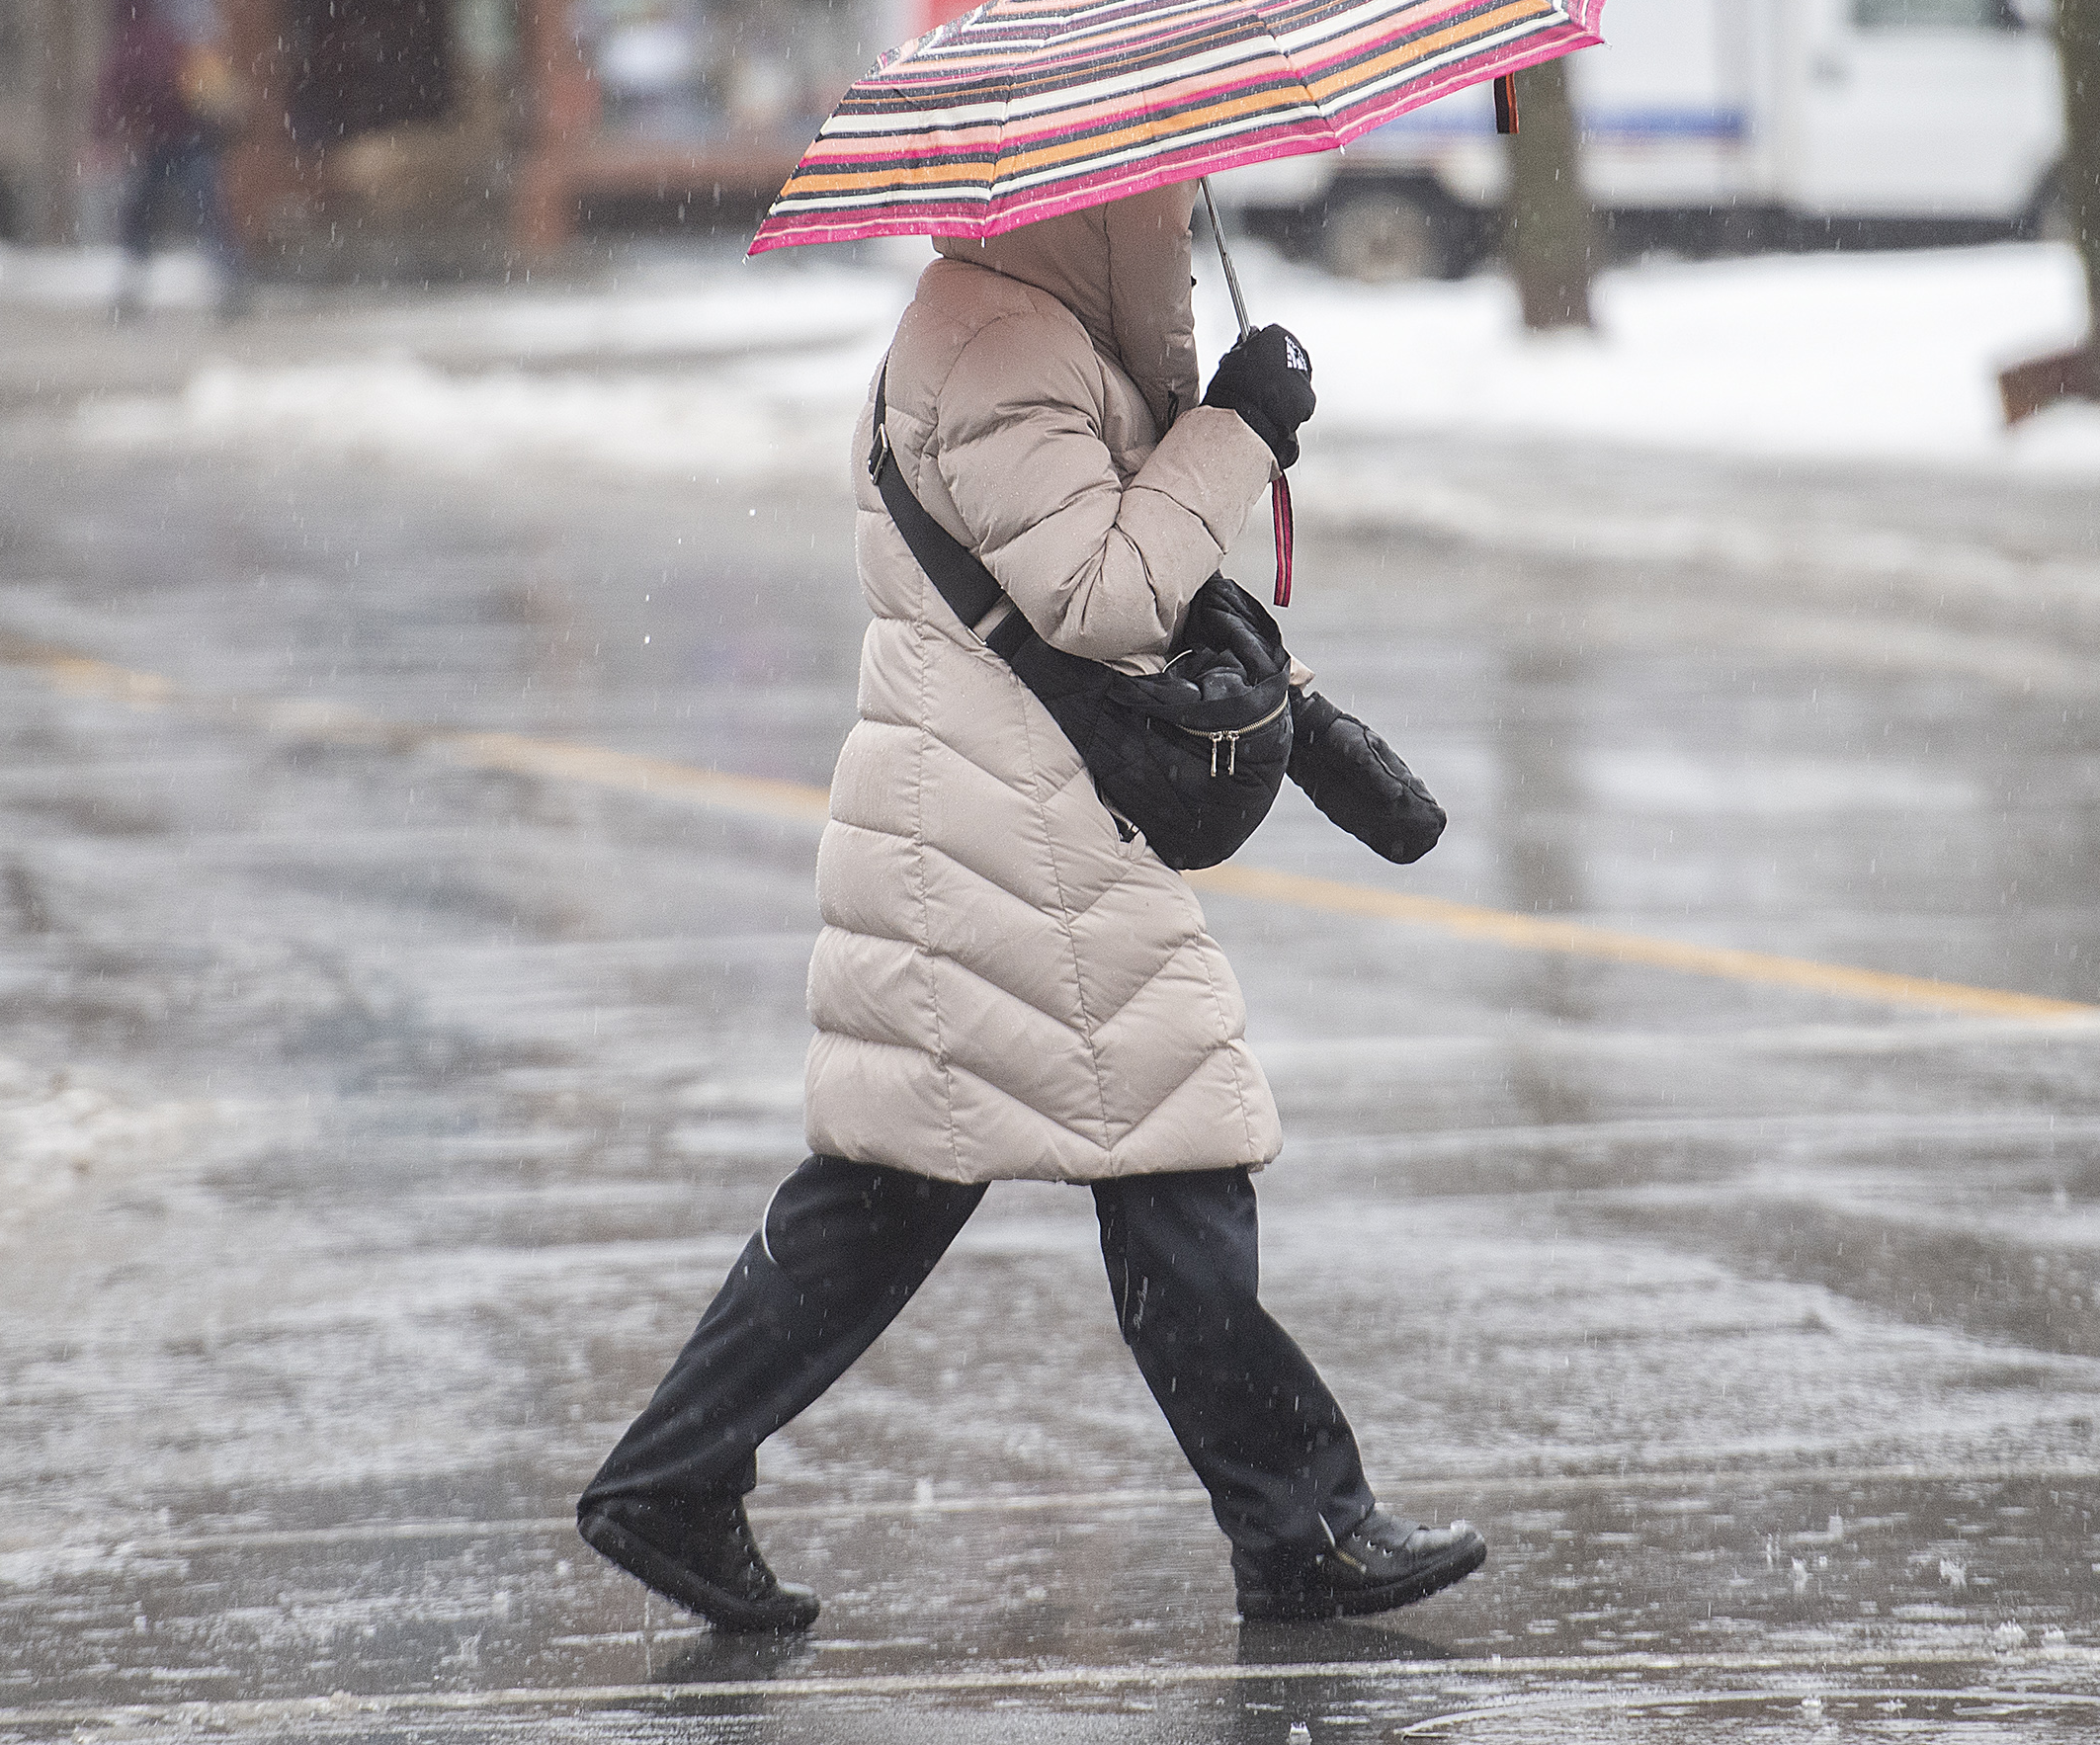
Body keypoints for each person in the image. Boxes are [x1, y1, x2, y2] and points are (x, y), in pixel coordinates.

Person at [576, 181, 1484, 1629]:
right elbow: (1102, 593)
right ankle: (1300, 1520)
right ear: (1106, 202)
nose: (1188, 226)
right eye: (1172, 201)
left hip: (998, 810)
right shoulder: (997, 347)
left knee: (892, 1182)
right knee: (1170, 1151)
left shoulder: (1032, 332)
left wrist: (1303, 715)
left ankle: (670, 1479)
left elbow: (1116, 586)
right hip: (1009, 825)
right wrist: (1239, 429)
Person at [92, 0, 246, 319]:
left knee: (140, 214)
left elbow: (110, 96)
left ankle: (131, 286)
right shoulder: (175, 39)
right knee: (208, 210)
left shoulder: (126, 47)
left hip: (155, 143)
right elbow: (205, 86)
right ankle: (229, 281)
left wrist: (104, 134)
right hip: (193, 139)